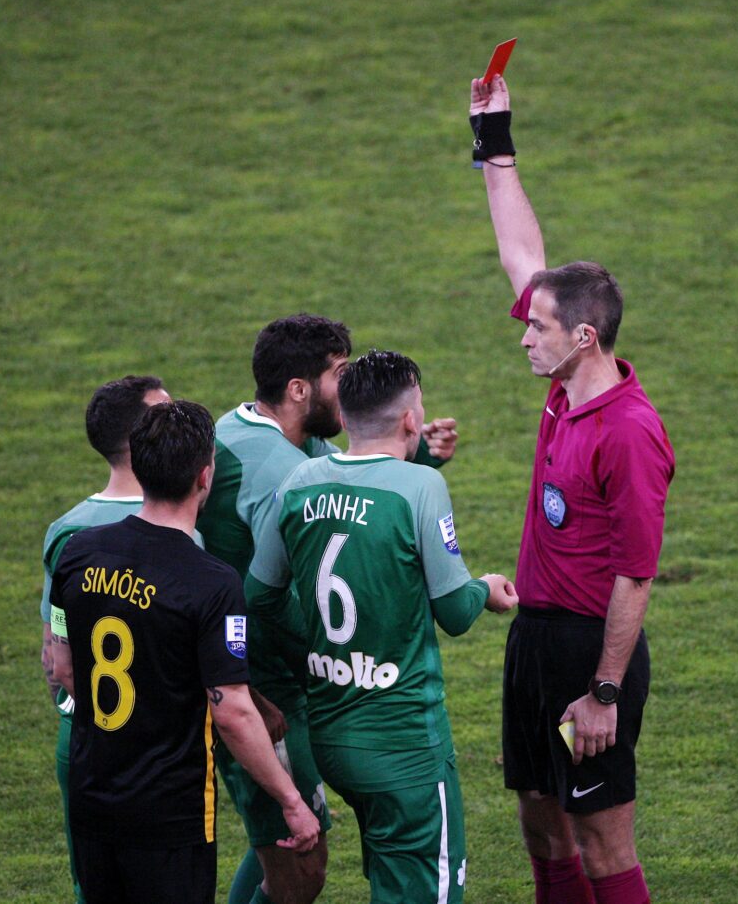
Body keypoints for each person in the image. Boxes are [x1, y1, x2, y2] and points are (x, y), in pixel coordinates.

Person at [471, 74, 676, 904]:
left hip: (590, 653)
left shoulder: (628, 432)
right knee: (541, 820)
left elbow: (636, 575)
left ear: (584, 336)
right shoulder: (567, 388)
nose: (525, 334)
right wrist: (495, 141)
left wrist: (603, 692)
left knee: (600, 840)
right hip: (535, 637)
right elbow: (522, 254)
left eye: (539, 327)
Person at [198, 314, 459, 904]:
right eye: (339, 373)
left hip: (266, 675)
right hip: (256, 686)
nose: (351, 384)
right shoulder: (280, 471)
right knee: (298, 865)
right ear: (298, 389)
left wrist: (415, 454)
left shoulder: (255, 432)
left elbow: (351, 477)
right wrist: (337, 654)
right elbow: (275, 590)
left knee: (283, 847)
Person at [246, 349, 519, 904]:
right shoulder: (420, 486)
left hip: (331, 737)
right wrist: (484, 588)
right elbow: (454, 612)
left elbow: (260, 593)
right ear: (411, 421)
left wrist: (316, 644)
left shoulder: (299, 481)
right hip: (403, 746)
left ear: (345, 417)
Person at [49, 400, 320, 904]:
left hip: (92, 799)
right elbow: (232, 711)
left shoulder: (78, 552)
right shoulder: (211, 582)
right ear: (204, 476)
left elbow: (61, 663)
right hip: (169, 814)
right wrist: (291, 800)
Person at [37, 374, 171, 903]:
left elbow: (55, 657)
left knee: (95, 887)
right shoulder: (181, 528)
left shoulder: (66, 529)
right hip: (161, 750)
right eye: (166, 414)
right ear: (141, 439)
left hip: (83, 739)